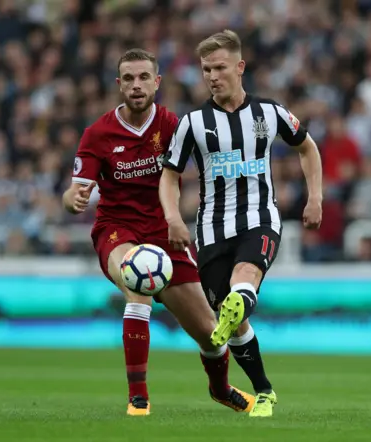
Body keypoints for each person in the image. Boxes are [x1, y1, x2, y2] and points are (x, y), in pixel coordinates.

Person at [62, 48, 255, 416]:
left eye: (144, 78)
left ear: (157, 82)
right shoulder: (98, 134)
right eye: (129, 79)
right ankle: (139, 397)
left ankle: (220, 388)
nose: (137, 85)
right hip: (117, 231)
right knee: (139, 279)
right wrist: (74, 198)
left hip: (166, 233)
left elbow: (213, 164)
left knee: (211, 333)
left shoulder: (173, 127)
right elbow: (76, 190)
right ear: (119, 85)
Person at [159, 30, 323, 417]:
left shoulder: (269, 113)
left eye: (219, 67)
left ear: (240, 67)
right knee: (233, 321)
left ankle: (240, 299)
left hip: (260, 219)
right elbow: (169, 175)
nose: (212, 76)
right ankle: (264, 390)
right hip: (212, 230)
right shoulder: (193, 123)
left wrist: (315, 196)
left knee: (244, 280)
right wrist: (172, 218)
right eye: (205, 70)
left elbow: (307, 147)